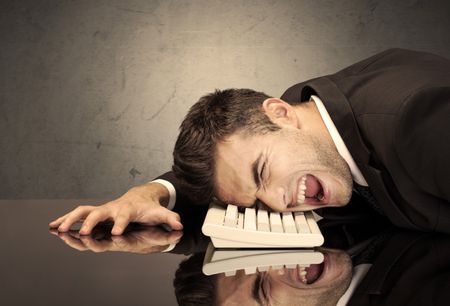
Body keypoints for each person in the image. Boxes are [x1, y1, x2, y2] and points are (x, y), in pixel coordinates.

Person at [49, 48, 450, 235]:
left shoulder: (420, 121)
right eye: (257, 202)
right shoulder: (306, 114)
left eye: (261, 173)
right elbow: (231, 166)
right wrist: (150, 191)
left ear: (279, 113)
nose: (279, 204)